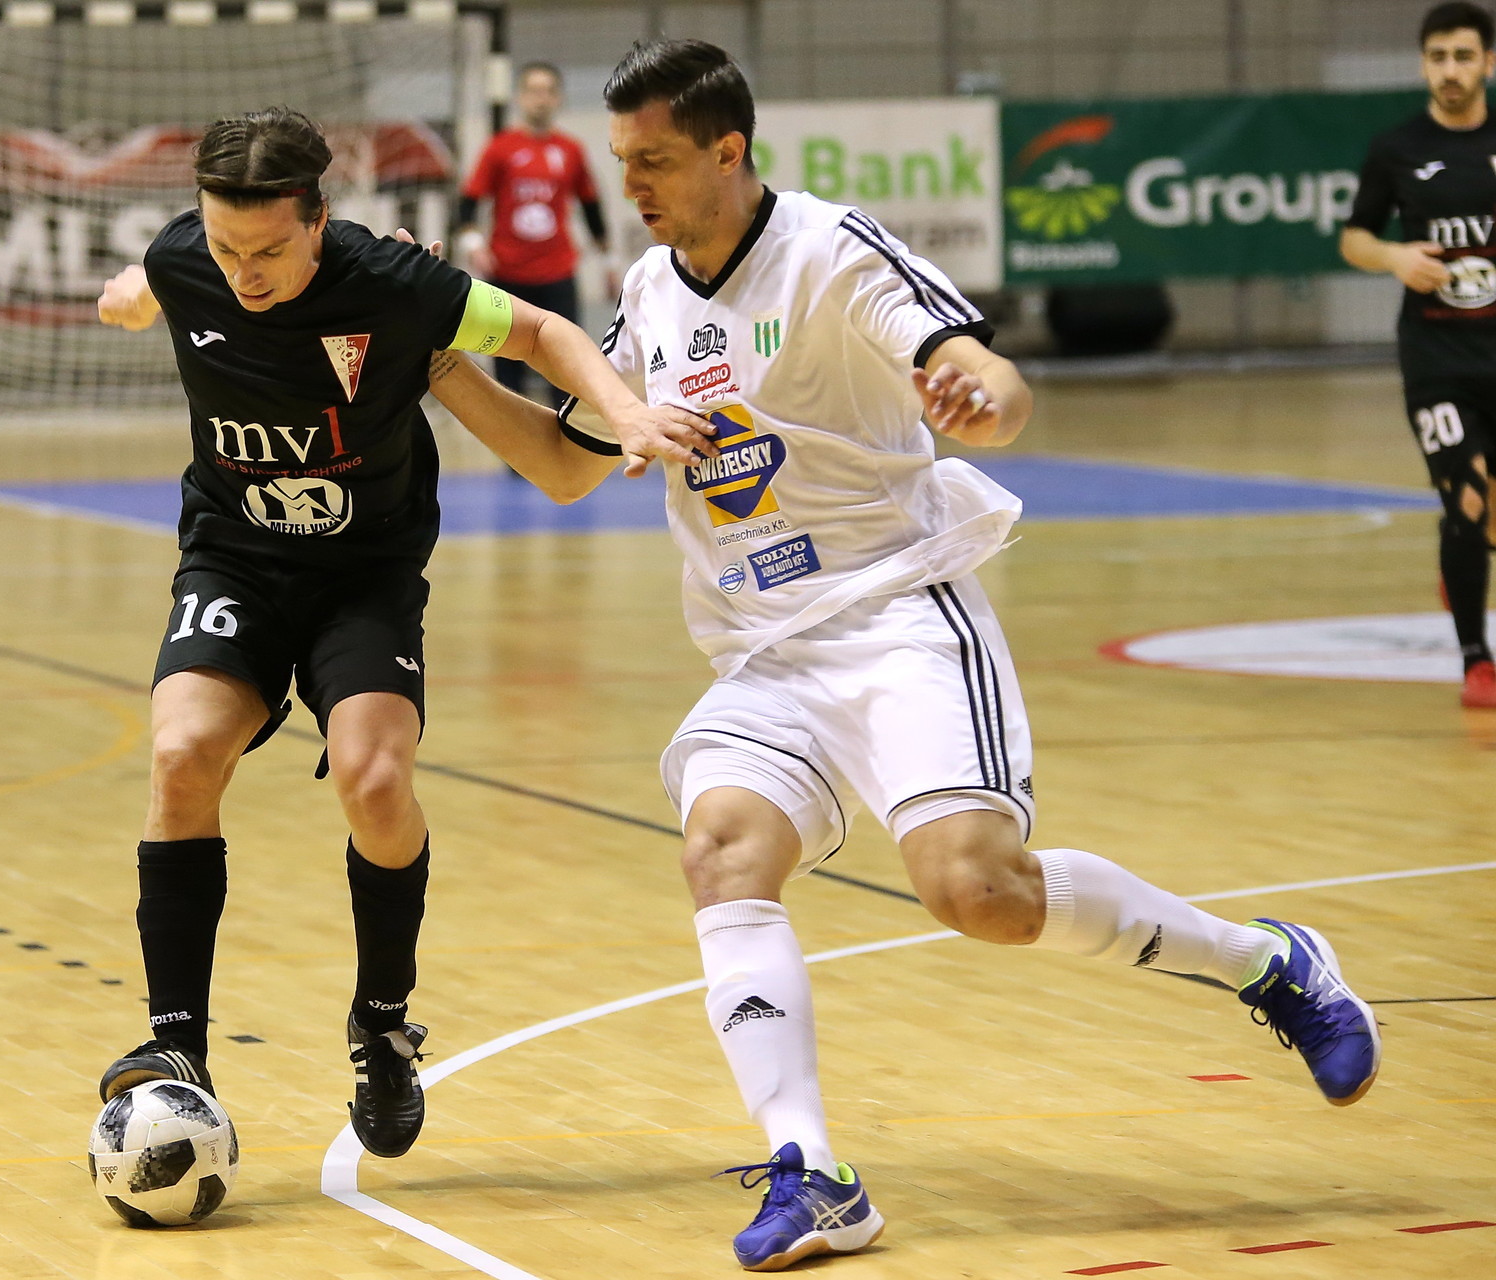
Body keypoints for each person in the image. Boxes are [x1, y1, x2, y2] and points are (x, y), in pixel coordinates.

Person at [424, 41, 1384, 1272]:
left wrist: (983, 393)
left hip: (897, 615)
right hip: (763, 655)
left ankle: (1270, 961)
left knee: (978, 891)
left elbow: (974, 367)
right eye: (624, 163)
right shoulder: (651, 295)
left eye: (656, 160)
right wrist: (444, 367)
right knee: (722, 846)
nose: (636, 186)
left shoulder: (829, 248)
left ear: (730, 149)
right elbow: (566, 463)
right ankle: (814, 1170)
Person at [91, 108, 713, 1165]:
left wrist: (623, 406)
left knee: (376, 782)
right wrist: (132, 292)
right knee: (181, 752)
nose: (244, 272)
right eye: (226, 246)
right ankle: (175, 1044)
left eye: (270, 249)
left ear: (320, 220)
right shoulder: (187, 258)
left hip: (364, 574)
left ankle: (382, 1023)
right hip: (234, 557)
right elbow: (160, 275)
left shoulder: (392, 283)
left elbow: (546, 334)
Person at [1342, 1, 1496, 709]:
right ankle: (1476, 659)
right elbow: (1355, 238)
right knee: (1474, 494)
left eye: (1464, 57)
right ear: (1423, 65)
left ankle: (1459, 556)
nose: (1451, 71)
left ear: (1488, 62)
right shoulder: (1397, 147)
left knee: (1476, 516)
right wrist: (1397, 256)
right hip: (1437, 359)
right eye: (1438, 58)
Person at [456, 61, 619, 407]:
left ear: (558, 98)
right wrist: (473, 243)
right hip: (507, 276)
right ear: (519, 97)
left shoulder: (570, 150)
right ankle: (516, 458)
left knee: (565, 367)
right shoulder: (500, 148)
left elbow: (591, 209)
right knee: (508, 373)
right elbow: (469, 203)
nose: (540, 99)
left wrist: (609, 262)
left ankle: (567, 449)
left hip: (557, 274)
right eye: (533, 91)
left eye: (548, 91)